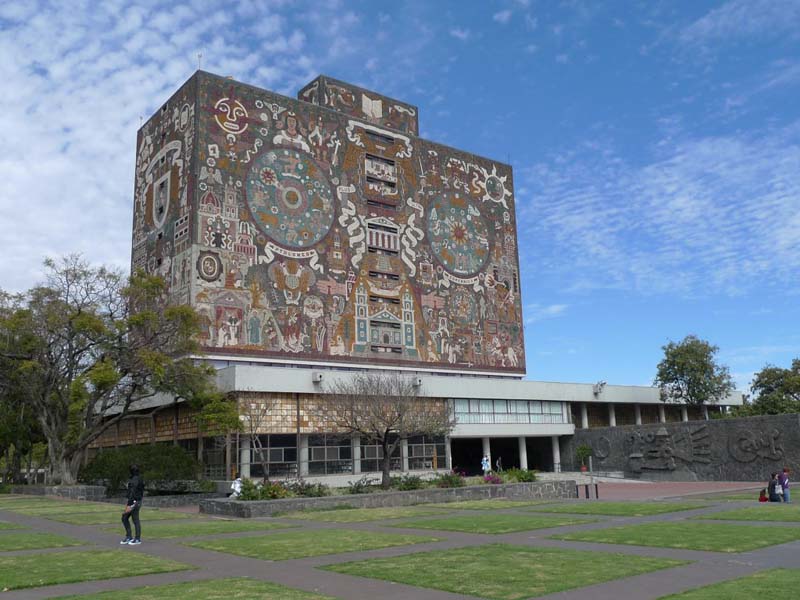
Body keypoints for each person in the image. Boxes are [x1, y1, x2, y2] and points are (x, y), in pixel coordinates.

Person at [121, 464, 144, 545]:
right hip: (136, 501)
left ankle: (137, 539)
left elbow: (133, 492)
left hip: (134, 501)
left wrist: (129, 504)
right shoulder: (137, 478)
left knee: (133, 519)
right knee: (125, 517)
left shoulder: (135, 479)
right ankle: (129, 537)